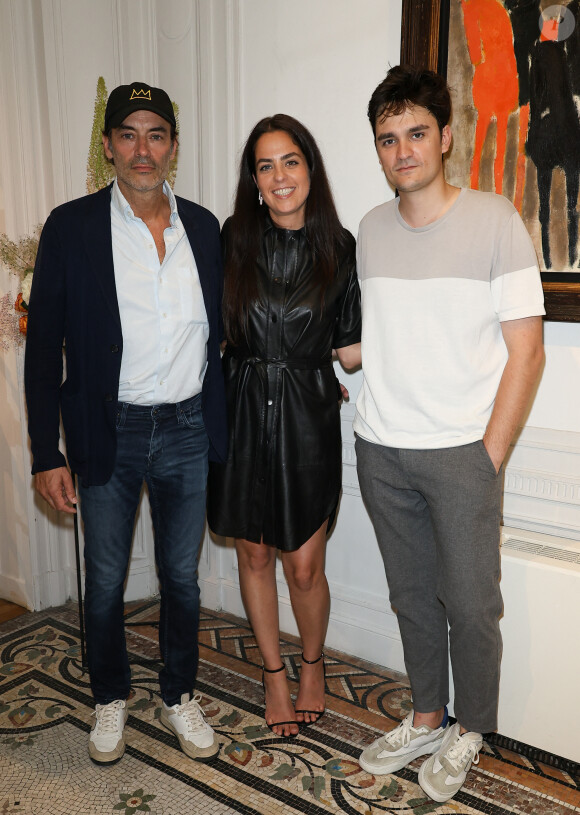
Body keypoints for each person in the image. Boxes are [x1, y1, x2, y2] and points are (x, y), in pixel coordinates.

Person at [354, 66, 545, 802]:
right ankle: (428, 713)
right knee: (411, 596)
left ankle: (472, 726)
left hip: (463, 453)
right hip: (381, 448)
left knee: (471, 604)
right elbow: (379, 336)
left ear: (446, 136)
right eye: (388, 139)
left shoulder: (497, 220)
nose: (402, 150)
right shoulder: (370, 229)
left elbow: (526, 352)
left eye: (416, 134)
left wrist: (487, 455)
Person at [24, 82, 227, 765]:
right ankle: (110, 694)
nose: (144, 149)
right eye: (129, 134)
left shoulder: (203, 226)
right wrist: (43, 452)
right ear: (108, 146)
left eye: (157, 134)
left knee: (182, 578)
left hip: (188, 428)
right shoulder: (72, 226)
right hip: (108, 428)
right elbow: (42, 344)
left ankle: (178, 693)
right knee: (106, 577)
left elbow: (225, 333)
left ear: (173, 145)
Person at [207, 114, 361, 738]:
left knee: (303, 565)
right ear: (254, 177)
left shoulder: (341, 246)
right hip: (240, 406)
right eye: (266, 165)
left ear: (310, 168)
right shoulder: (230, 240)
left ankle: (313, 663)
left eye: (290, 161)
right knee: (253, 550)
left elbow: (350, 348)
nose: (279, 176)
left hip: (305, 415)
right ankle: (273, 673)